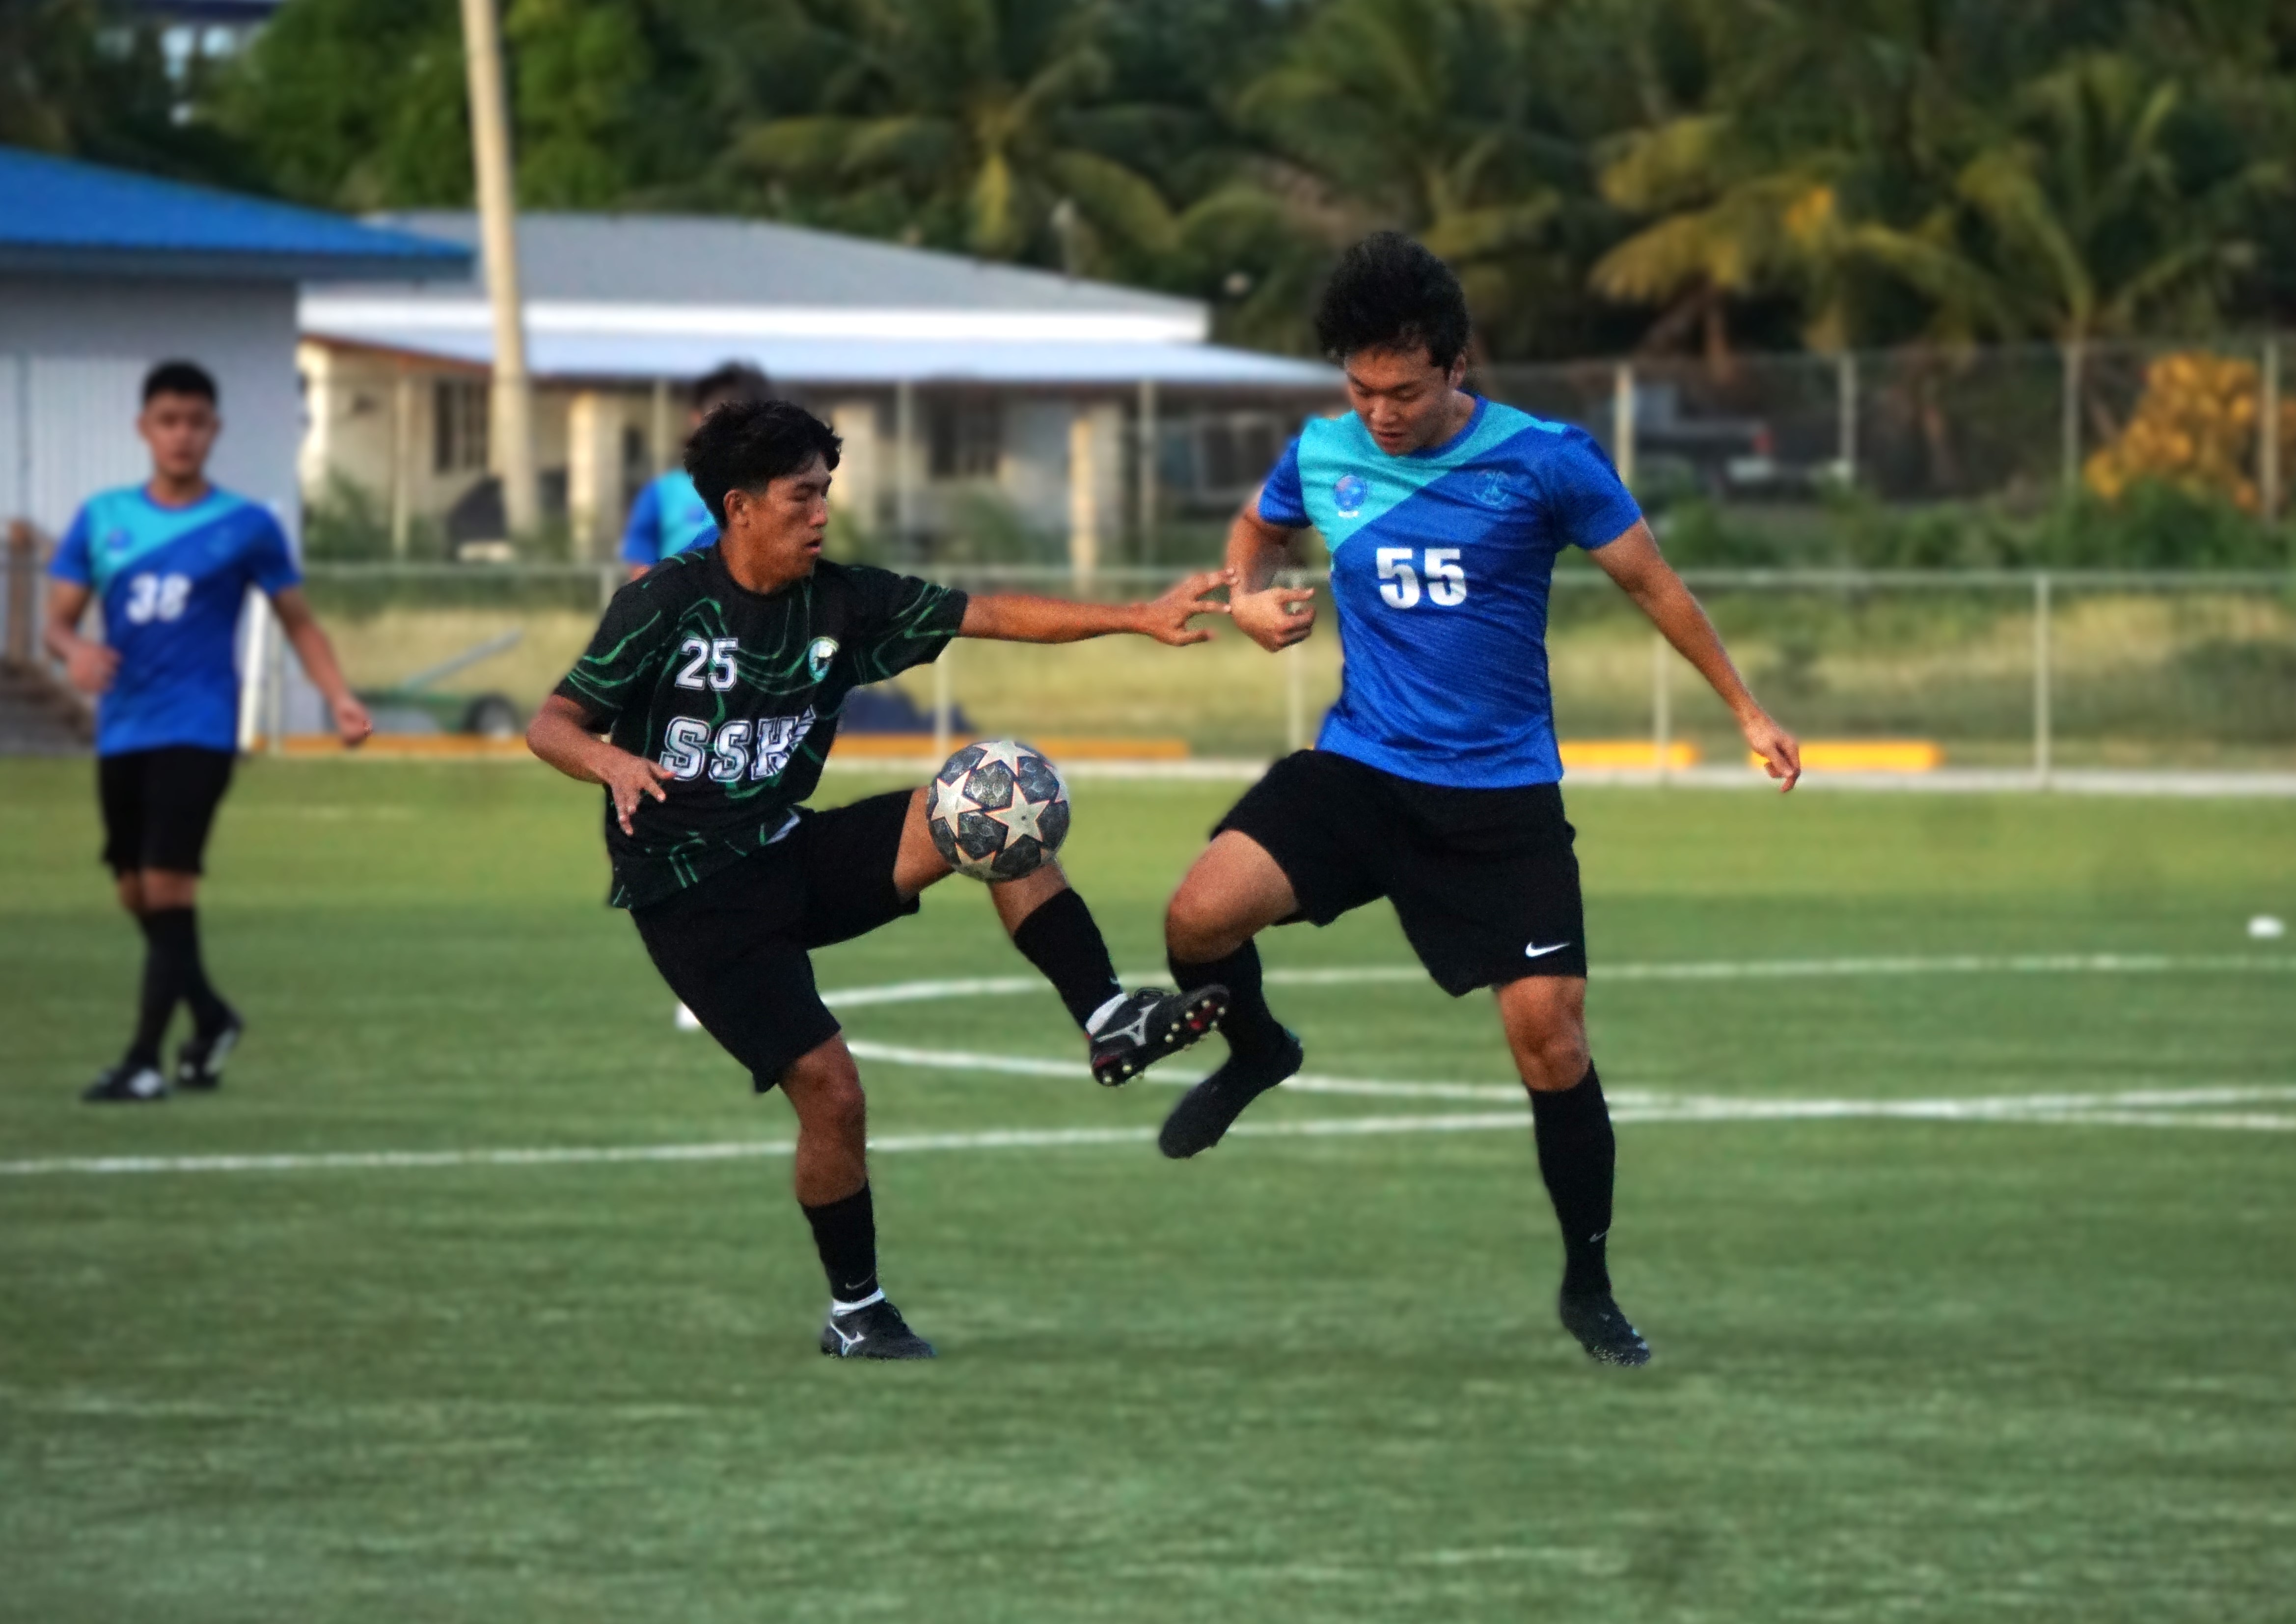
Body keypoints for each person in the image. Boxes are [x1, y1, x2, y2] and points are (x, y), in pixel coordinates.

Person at [1154, 234, 1803, 1367]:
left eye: (1402, 389)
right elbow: (1258, 524)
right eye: (1360, 389)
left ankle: (1590, 1286)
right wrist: (1247, 597)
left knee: (1549, 1035)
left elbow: (1653, 581)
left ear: (1458, 365)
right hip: (1361, 770)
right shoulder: (1322, 453)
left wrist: (1746, 710)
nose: (1381, 412)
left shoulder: (1547, 460)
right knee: (1196, 916)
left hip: (1500, 800)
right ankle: (1258, 1051)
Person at [528, 399, 1234, 1361]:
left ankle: (1105, 1016)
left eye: (826, 491)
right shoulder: (667, 603)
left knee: (993, 798)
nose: (821, 511)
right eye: (801, 495)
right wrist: (608, 762)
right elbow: (554, 722)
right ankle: (856, 1308)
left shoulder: (842, 598)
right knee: (834, 1092)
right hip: (691, 891)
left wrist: (1136, 617)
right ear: (739, 507)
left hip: (788, 851)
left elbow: (988, 613)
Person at [44, 360, 374, 1104]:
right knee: (136, 893)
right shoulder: (103, 518)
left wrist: (338, 696)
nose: (183, 435)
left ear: (214, 430)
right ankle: (213, 1015)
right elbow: (57, 623)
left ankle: (143, 1060)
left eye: (196, 421)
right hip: (122, 729)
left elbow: (299, 621)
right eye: (169, 420)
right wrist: (78, 651)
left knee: (168, 884)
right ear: (145, 429)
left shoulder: (245, 525)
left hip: (197, 727)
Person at [619, 362, 772, 577]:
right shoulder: (661, 494)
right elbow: (642, 578)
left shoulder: (779, 492)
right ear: (696, 419)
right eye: (718, 419)